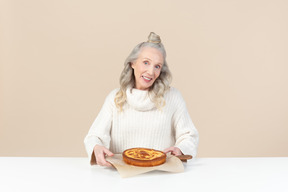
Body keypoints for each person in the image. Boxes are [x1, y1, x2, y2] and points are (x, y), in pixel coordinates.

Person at [84, 32, 199, 167]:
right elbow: (94, 136)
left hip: (162, 175)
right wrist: (96, 148)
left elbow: (189, 136)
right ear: (132, 63)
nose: (150, 72)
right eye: (146, 63)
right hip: (121, 175)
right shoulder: (115, 98)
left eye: (157, 66)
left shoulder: (173, 97)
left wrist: (180, 149)